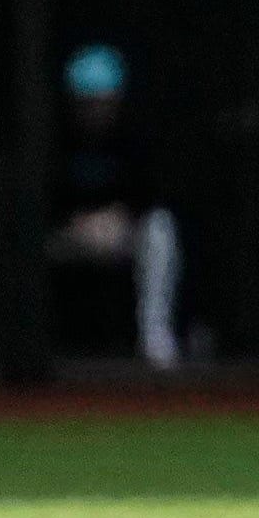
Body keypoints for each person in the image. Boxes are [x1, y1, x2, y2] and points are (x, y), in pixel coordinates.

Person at [46, 45, 183, 369]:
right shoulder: (56, 138)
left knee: (161, 231)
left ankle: (155, 336)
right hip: (71, 234)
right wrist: (76, 221)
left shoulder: (135, 137)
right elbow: (44, 196)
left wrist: (120, 217)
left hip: (122, 231)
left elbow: (151, 193)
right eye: (87, 102)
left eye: (103, 101)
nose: (95, 110)